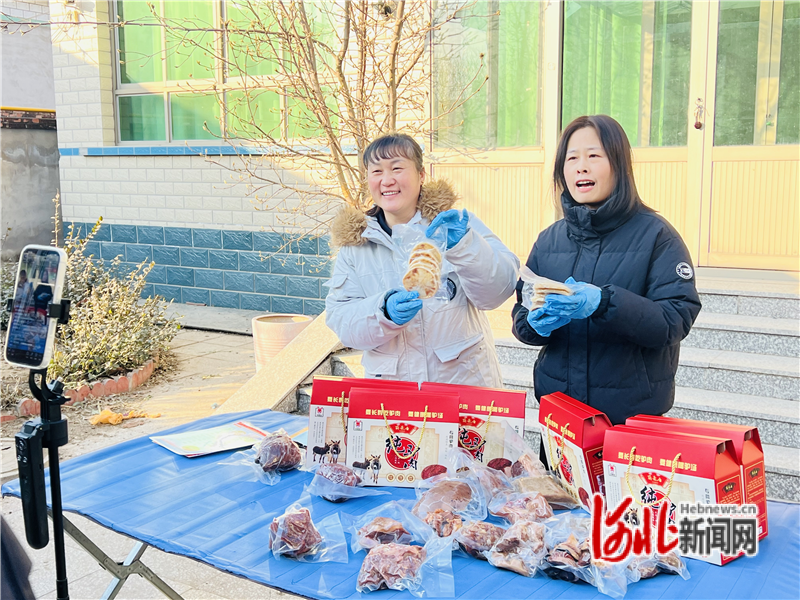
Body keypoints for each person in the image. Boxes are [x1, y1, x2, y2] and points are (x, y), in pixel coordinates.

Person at [512, 115, 701, 426]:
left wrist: (605, 303)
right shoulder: (549, 240)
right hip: (560, 418)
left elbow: (674, 319)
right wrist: (535, 325)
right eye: (572, 158)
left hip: (628, 421)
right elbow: (522, 314)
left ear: (619, 165)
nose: (581, 167)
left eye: (594, 156)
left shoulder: (657, 236)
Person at [326, 133, 519, 387]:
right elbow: (342, 322)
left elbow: (498, 292)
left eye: (397, 168)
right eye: (377, 171)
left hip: (462, 385)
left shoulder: (454, 224)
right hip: (395, 393)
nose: (387, 180)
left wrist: (465, 246)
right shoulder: (356, 246)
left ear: (421, 175)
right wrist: (383, 311)